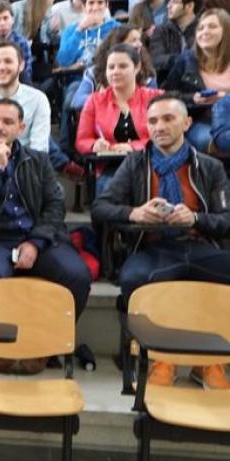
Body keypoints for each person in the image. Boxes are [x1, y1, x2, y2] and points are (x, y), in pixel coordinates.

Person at [91, 94, 230, 389]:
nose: (159, 127)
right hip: (153, 246)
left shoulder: (210, 167)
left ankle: (210, 360)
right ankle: (158, 357)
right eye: (153, 120)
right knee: (135, 279)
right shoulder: (135, 164)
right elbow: (101, 207)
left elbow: (226, 219)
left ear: (187, 123)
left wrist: (195, 219)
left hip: (199, 244)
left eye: (168, 119)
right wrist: (135, 213)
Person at [0, 98, 92, 340]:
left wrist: (35, 243)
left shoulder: (39, 160)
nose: (0, 127)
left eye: (8, 122)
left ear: (21, 128)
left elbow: (55, 206)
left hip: (37, 237)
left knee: (77, 275)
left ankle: (52, 341)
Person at [75, 45, 164, 194]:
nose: (115, 72)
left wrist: (133, 147)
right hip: (111, 167)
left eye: (122, 66)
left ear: (137, 67)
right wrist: (94, 145)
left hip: (152, 163)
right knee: (110, 188)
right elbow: (82, 140)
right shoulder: (94, 100)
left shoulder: (156, 97)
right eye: (111, 67)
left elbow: (166, 135)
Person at [163, 8, 230, 152]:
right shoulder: (186, 60)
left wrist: (225, 97)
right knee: (209, 140)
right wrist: (193, 98)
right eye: (201, 28)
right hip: (200, 120)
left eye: (212, 26)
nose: (205, 32)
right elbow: (166, 95)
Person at [69, 25, 157, 112]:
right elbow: (77, 101)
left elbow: (153, 103)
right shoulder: (95, 71)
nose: (139, 44)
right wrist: (103, 99)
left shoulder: (147, 73)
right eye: (133, 40)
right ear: (118, 44)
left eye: (139, 40)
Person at [55, 0, 119, 72]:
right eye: (91, 3)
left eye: (100, 3)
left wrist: (76, 66)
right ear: (84, 7)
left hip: (106, 75)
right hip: (77, 77)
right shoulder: (71, 30)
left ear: (106, 5)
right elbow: (63, 62)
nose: (95, 8)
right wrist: (79, 30)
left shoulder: (116, 27)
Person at [149, 0, 199, 76]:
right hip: (169, 79)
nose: (168, 6)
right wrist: (181, 60)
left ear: (189, 6)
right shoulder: (161, 31)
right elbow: (156, 60)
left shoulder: (202, 29)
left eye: (174, 2)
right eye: (169, 2)